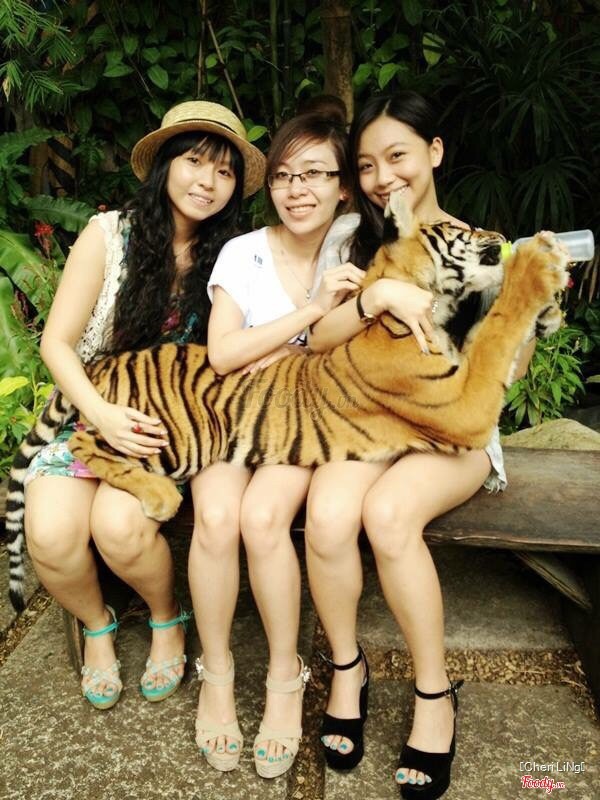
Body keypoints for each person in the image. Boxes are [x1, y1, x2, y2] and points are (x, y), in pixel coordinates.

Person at [306, 91, 535, 799]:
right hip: (372, 419)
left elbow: (509, 369)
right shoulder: (350, 237)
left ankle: (435, 694)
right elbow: (316, 339)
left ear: (434, 152)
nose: (383, 178)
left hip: (452, 427)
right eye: (367, 165)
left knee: (388, 517)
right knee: (327, 517)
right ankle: (348, 669)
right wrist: (370, 300)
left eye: (397, 156)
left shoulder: (484, 247)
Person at [22, 101, 265, 710]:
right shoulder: (109, 235)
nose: (207, 181)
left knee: (119, 527)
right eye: (195, 162)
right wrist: (102, 415)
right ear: (165, 165)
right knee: (49, 534)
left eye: (225, 171)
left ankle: (165, 617)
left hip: (171, 424)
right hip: (90, 412)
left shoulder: (235, 254)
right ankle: (97, 625)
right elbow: (56, 343)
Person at [189, 110, 362, 777]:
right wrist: (312, 313)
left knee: (262, 519)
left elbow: (349, 364)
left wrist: (273, 353)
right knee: (214, 516)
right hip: (230, 418)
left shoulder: (358, 253)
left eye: (314, 174)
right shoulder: (244, 252)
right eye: (285, 175)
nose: (296, 189)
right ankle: (217, 674)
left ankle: (284, 678)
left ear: (343, 187)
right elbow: (223, 354)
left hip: (302, 425)